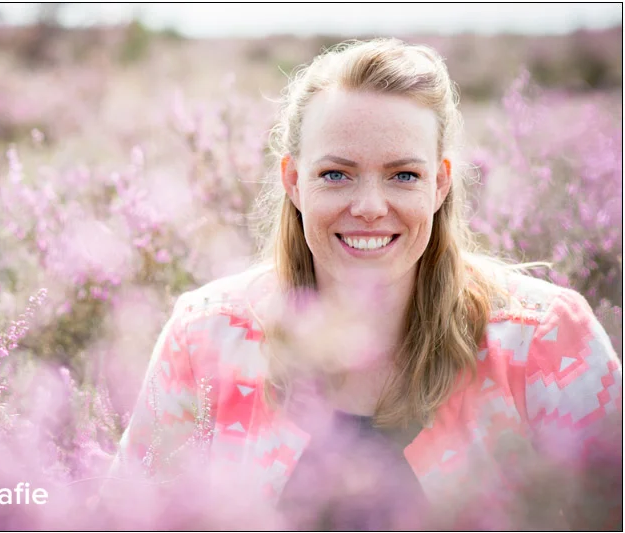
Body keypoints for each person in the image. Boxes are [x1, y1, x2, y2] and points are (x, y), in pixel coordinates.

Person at [102, 38, 623, 530]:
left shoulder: (546, 342)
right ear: (292, 181)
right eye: (336, 174)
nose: (371, 207)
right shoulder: (204, 338)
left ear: (441, 183)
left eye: (403, 176)